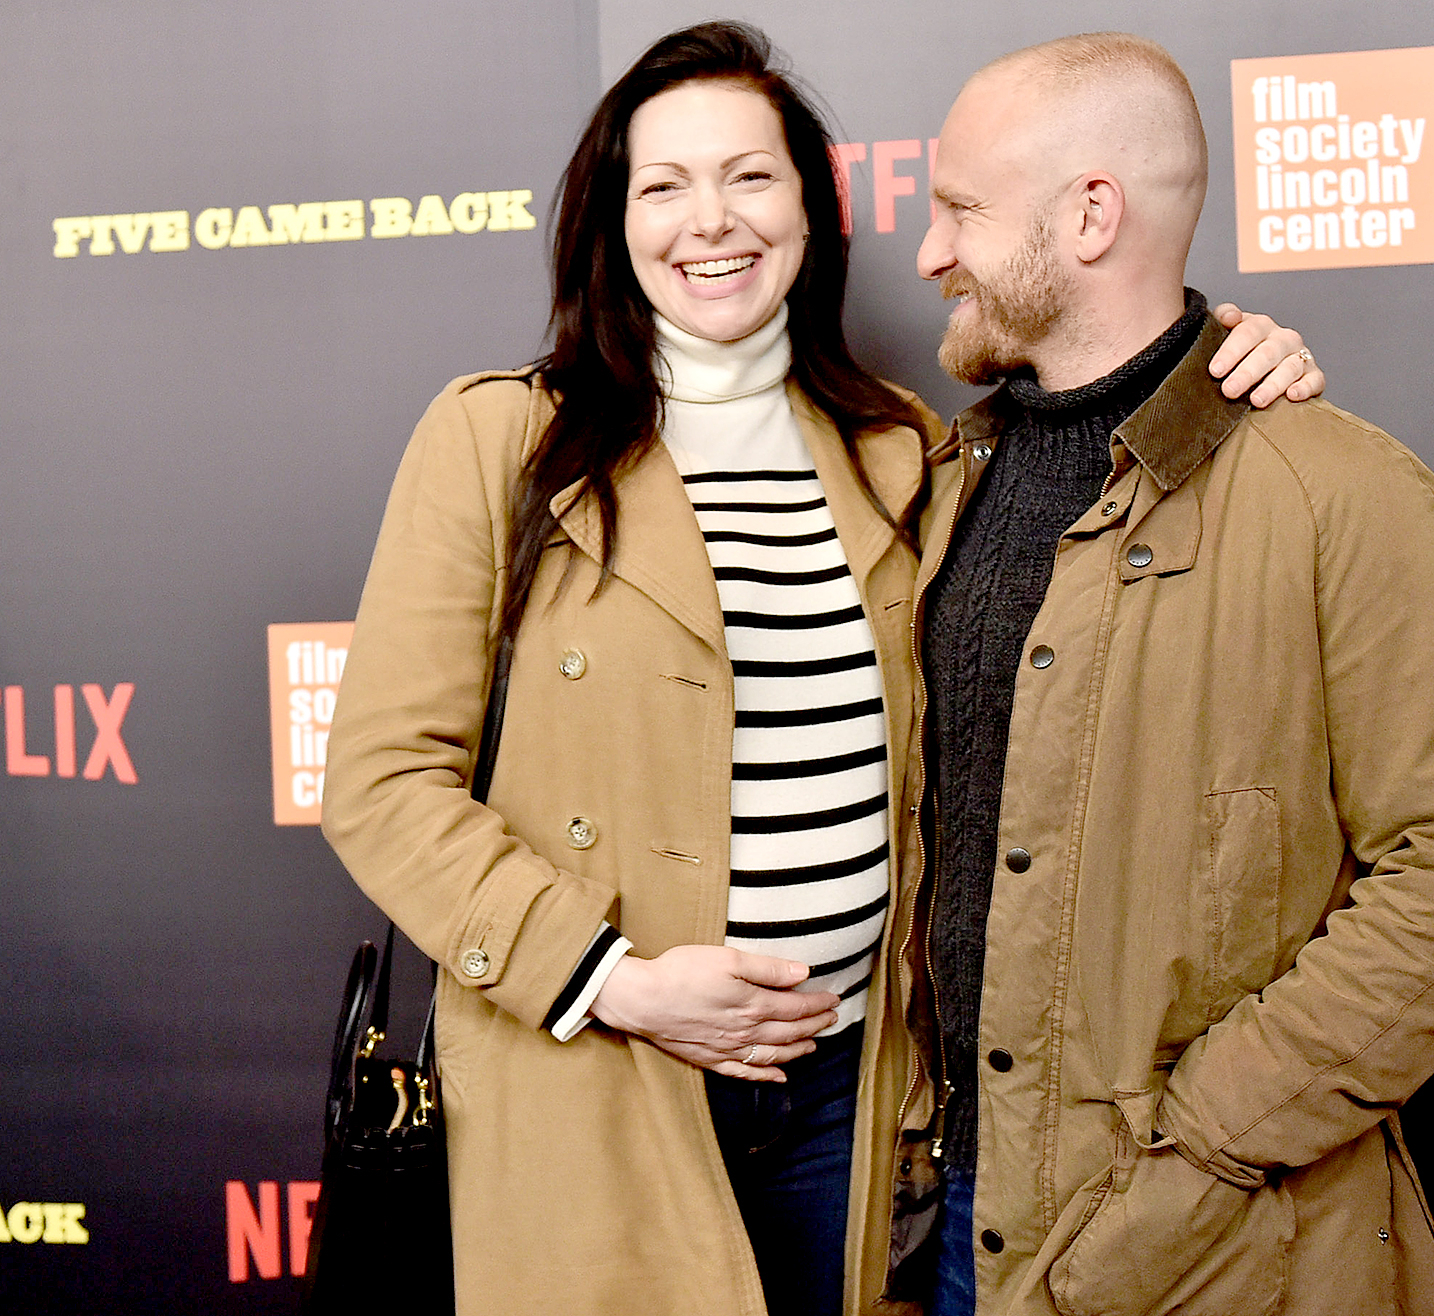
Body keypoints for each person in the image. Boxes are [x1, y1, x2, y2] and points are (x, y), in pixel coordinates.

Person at [322, 21, 1320, 1316]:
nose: (708, 221)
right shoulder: (500, 438)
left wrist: (1234, 356)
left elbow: (1105, 403)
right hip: (600, 1091)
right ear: (613, 222)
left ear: (809, 206)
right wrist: (612, 980)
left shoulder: (901, 450)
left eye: (749, 176)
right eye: (662, 185)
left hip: (842, 1116)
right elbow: (381, 782)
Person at [847, 33, 1434, 1316]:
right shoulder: (938, 484)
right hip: (950, 1227)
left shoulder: (1349, 496)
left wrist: (1201, 1146)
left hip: (1211, 1248)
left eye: (958, 212)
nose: (929, 253)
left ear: (1092, 213)